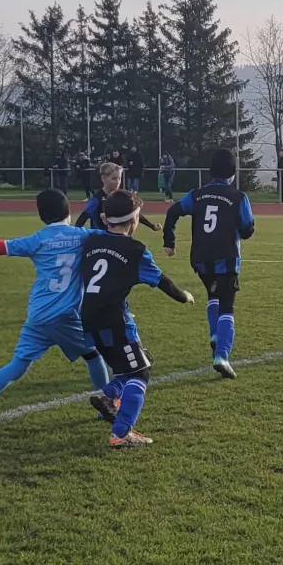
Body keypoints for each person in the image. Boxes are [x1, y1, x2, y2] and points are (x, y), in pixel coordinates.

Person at [0, 189, 119, 436]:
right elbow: (116, 237)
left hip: (37, 315)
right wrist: (114, 221)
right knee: (93, 354)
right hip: (65, 316)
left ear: (42, 217)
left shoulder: (37, 240)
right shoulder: (83, 236)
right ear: (69, 211)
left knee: (18, 363)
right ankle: (106, 404)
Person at [81, 189, 194, 448]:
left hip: (88, 319)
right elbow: (163, 282)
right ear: (134, 220)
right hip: (114, 320)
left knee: (137, 362)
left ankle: (108, 396)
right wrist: (184, 296)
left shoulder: (91, 241)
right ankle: (121, 432)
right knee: (140, 373)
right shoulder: (135, 250)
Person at [161, 148, 253, 380]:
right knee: (227, 305)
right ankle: (222, 355)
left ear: (211, 171)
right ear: (233, 172)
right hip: (226, 258)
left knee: (213, 295)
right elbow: (247, 230)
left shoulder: (197, 195)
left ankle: (214, 335)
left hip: (201, 258)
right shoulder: (239, 197)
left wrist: (169, 241)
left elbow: (173, 211)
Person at [76, 163, 159, 234]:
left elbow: (132, 212)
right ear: (103, 178)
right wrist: (74, 234)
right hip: (100, 238)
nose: (118, 182)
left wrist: (151, 226)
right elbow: (83, 217)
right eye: (114, 178)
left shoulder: (120, 196)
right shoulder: (97, 199)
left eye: (119, 178)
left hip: (116, 237)